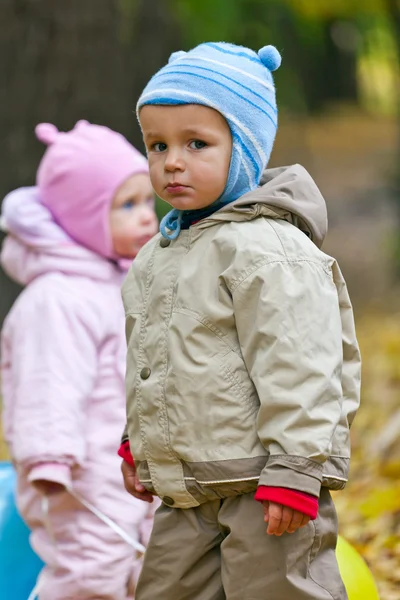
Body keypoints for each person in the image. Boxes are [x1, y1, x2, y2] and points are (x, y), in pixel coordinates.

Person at [119, 42, 361, 599]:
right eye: (157, 145)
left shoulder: (269, 249)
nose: (171, 160)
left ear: (245, 148)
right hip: (188, 485)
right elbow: (152, 358)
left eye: (196, 143)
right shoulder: (159, 253)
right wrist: (138, 441)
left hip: (265, 484)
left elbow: (305, 365)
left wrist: (298, 467)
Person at [0, 120, 158, 599]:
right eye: (127, 206)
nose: (147, 217)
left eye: (148, 200)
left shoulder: (121, 285)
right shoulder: (57, 298)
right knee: (90, 573)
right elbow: (47, 384)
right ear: (83, 219)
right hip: (80, 476)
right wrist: (48, 459)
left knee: (146, 567)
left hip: (135, 470)